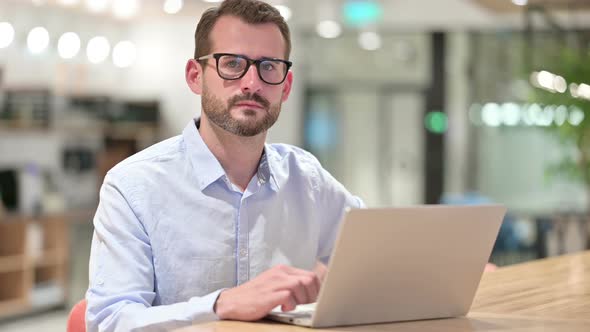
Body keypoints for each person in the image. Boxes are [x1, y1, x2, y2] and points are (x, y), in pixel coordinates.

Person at [85, 0, 364, 331]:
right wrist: (222, 304)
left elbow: (380, 258)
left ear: (285, 87)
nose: (252, 83)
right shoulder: (133, 186)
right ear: (195, 76)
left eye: (269, 67)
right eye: (232, 64)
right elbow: (109, 321)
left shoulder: (308, 179)